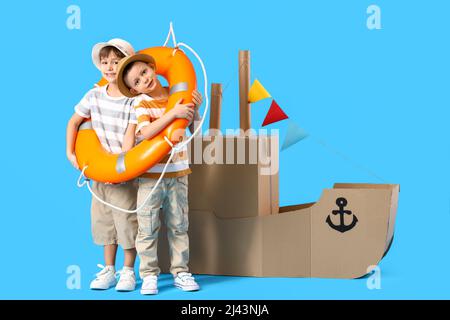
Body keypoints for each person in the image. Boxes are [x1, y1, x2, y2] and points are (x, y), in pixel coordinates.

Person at [116, 53, 202, 295]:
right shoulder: (141, 104)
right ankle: (149, 274)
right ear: (134, 90)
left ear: (153, 68)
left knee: (179, 225)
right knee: (148, 227)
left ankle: (181, 271)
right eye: (137, 81)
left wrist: (196, 108)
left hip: (178, 172)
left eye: (144, 72)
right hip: (150, 176)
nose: (145, 80)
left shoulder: (177, 94)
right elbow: (146, 133)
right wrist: (171, 114)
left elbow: (191, 128)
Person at [66, 39, 139, 292]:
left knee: (127, 223)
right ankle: (109, 269)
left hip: (123, 172)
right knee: (105, 223)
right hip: (97, 172)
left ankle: (128, 271)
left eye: (117, 62)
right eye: (105, 62)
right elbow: (74, 122)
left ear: (127, 65)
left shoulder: (133, 99)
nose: (110, 67)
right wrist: (70, 153)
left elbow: (130, 137)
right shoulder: (94, 95)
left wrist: (119, 168)